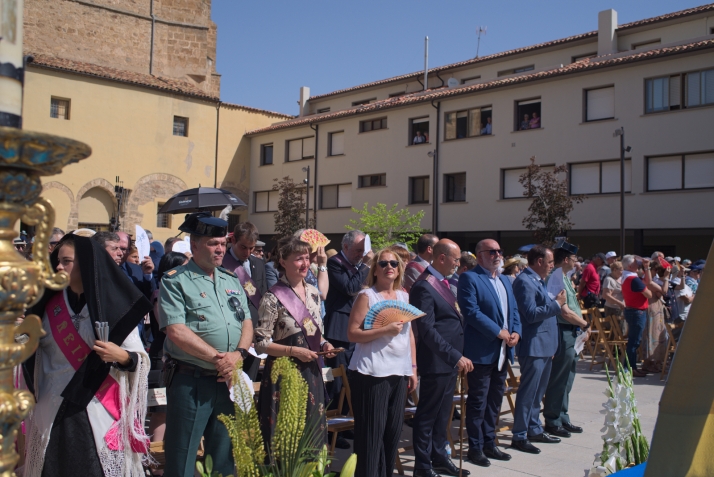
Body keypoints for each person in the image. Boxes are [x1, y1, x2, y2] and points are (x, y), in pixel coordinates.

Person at [23, 234, 152, 477]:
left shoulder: (111, 305)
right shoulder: (48, 305)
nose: (59, 266)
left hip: (97, 408)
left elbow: (140, 359)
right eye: (58, 260)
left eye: (67, 261)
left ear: (86, 264)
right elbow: (31, 351)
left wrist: (122, 356)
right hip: (53, 408)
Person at [158, 213, 253, 477]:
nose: (221, 249)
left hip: (227, 381)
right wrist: (219, 359)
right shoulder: (175, 280)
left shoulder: (230, 280)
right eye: (213, 243)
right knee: (182, 458)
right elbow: (176, 330)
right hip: (192, 382)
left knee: (223, 458)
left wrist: (238, 355)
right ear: (195, 245)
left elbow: (246, 322)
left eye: (222, 243)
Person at [254, 236, 337, 449]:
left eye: (307, 258)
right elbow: (261, 343)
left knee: (311, 434)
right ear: (283, 261)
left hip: (312, 373)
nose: (305, 263)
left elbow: (315, 333)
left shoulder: (313, 293)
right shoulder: (272, 298)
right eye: (299, 258)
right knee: (286, 437)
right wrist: (293, 351)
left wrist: (325, 345)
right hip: (284, 374)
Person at [347, 248, 417, 477]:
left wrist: (413, 368)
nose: (390, 267)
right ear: (375, 269)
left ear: (400, 269)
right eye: (384, 263)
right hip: (371, 373)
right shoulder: (367, 296)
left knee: (392, 434)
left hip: (399, 371)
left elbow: (409, 335)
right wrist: (384, 329)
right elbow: (353, 334)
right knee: (370, 436)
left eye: (394, 264)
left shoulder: (403, 296)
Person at [411, 240, 473, 477]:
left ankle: (439, 456)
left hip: (450, 361)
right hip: (437, 360)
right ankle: (422, 465)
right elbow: (427, 330)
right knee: (428, 414)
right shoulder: (424, 286)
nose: (458, 264)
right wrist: (454, 355)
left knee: (443, 414)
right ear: (441, 258)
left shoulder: (443, 282)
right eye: (455, 259)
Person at [457, 239, 521, 468]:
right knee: (478, 402)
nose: (497, 254)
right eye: (492, 251)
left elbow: (513, 310)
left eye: (499, 251)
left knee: (494, 401)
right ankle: (475, 447)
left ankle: (489, 442)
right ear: (480, 255)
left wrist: (516, 332)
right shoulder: (470, 278)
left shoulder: (504, 279)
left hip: (503, 351)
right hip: (481, 351)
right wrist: (498, 332)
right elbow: (471, 312)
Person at [510, 245, 566, 454]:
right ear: (539, 262)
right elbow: (531, 314)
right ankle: (520, 434)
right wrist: (557, 304)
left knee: (538, 391)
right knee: (529, 391)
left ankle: (533, 427)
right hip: (533, 345)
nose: (552, 266)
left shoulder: (537, 281)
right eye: (550, 262)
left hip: (544, 345)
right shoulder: (525, 281)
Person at [543, 241, 590, 439]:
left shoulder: (564, 276)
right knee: (559, 378)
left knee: (568, 377)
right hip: (563, 331)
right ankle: (553, 419)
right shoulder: (556, 278)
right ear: (565, 259)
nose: (576, 262)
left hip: (572, 332)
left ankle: (562, 416)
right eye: (574, 258)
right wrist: (584, 324)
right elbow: (563, 310)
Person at [324, 230, 372, 411]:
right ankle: (333, 428)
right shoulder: (335, 263)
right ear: (345, 246)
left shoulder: (360, 266)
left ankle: (347, 420)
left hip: (359, 327)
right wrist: (366, 266)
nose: (361, 255)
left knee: (353, 379)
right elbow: (350, 288)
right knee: (338, 381)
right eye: (358, 250)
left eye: (363, 251)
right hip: (339, 329)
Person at [222, 222, 268, 381]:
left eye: (252, 248)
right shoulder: (221, 264)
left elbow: (263, 298)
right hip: (231, 334)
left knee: (250, 380)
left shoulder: (259, 264)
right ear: (233, 240)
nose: (247, 252)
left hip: (255, 335)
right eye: (243, 247)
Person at [621, 255, 652, 377]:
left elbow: (647, 282)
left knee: (633, 341)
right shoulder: (633, 279)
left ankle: (630, 367)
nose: (638, 264)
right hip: (637, 312)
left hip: (633, 310)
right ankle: (629, 368)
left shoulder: (628, 276)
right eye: (635, 263)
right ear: (630, 266)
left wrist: (646, 268)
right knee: (634, 342)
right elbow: (649, 294)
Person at [641, 264, 670, 373]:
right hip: (651, 310)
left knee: (657, 336)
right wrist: (666, 277)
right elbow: (664, 291)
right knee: (651, 335)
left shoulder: (651, 281)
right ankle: (649, 362)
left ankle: (654, 362)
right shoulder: (647, 281)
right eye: (656, 270)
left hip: (656, 310)